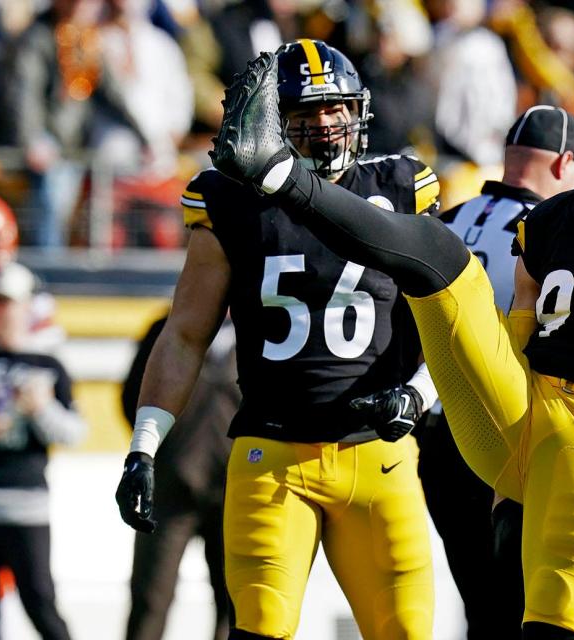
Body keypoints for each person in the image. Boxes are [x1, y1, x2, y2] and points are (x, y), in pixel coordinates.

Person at [209, 51, 574, 639]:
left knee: (551, 632)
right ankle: (278, 172)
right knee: (440, 257)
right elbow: (517, 344)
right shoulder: (557, 216)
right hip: (522, 420)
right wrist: (508, 489)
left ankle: (280, 174)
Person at [115, 39, 441, 640]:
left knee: (407, 633)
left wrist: (418, 392)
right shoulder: (229, 200)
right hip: (273, 454)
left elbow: (444, 317)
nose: (325, 125)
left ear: (357, 111)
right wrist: (144, 445)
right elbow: (185, 334)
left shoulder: (401, 185)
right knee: (259, 628)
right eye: (304, 114)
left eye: (335, 109)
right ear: (276, 123)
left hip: (378, 451)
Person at [422, 105, 574, 638]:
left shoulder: (450, 218)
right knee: (532, 611)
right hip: (513, 437)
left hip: (442, 430)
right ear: (564, 164)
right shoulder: (552, 230)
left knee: (481, 610)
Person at [120, 313, 237, 640]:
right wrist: (158, 451)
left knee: (235, 601)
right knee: (150, 595)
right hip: (171, 485)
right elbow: (134, 397)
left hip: (235, 486)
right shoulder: (165, 328)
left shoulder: (263, 324)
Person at [0, 261, 87, 640]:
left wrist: (41, 409)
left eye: (7, 304)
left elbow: (75, 433)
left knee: (39, 601)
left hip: (26, 506)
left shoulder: (48, 365)